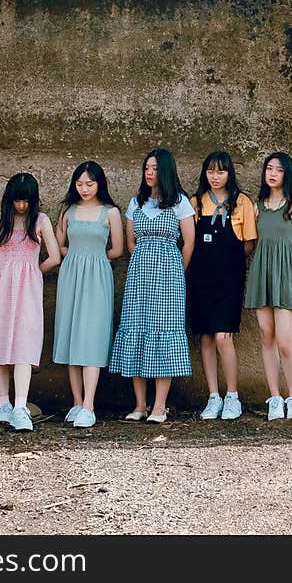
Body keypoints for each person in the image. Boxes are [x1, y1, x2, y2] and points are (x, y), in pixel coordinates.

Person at [109, 147, 195, 423]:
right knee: (136, 329)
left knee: (164, 331)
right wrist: (144, 263)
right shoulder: (136, 202)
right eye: (146, 167)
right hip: (139, 277)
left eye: (155, 168)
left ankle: (159, 406)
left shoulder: (180, 202)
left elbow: (189, 242)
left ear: (166, 170)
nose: (149, 172)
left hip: (169, 278)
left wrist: (175, 272)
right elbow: (131, 242)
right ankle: (139, 405)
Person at [0, 172, 60, 432]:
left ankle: (21, 406)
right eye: (17, 201)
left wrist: (33, 272)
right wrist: (0, 270)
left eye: (26, 201)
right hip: (0, 288)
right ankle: (3, 405)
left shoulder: (41, 221)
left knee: (24, 343)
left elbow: (54, 256)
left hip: (28, 290)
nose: (21, 206)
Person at [53, 161, 124, 429]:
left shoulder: (111, 212)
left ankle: (89, 405)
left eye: (90, 184)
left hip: (98, 277)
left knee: (91, 337)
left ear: (100, 184)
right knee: (71, 334)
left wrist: (94, 259)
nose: (84, 189)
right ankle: (76, 401)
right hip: (70, 276)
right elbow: (58, 245)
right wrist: (75, 257)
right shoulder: (67, 211)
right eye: (80, 184)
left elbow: (117, 249)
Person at [243, 151, 292, 421]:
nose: (272, 173)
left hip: (287, 278)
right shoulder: (258, 205)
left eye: (279, 170)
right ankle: (274, 398)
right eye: (269, 168)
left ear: (288, 174)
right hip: (262, 275)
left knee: (285, 341)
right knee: (266, 337)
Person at [188, 151, 257, 421]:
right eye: (210, 172)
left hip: (229, 279)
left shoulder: (243, 203)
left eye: (221, 172)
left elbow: (249, 243)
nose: (215, 177)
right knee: (205, 336)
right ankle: (213, 396)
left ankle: (232, 396)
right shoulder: (195, 202)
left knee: (222, 337)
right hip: (201, 278)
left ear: (230, 174)